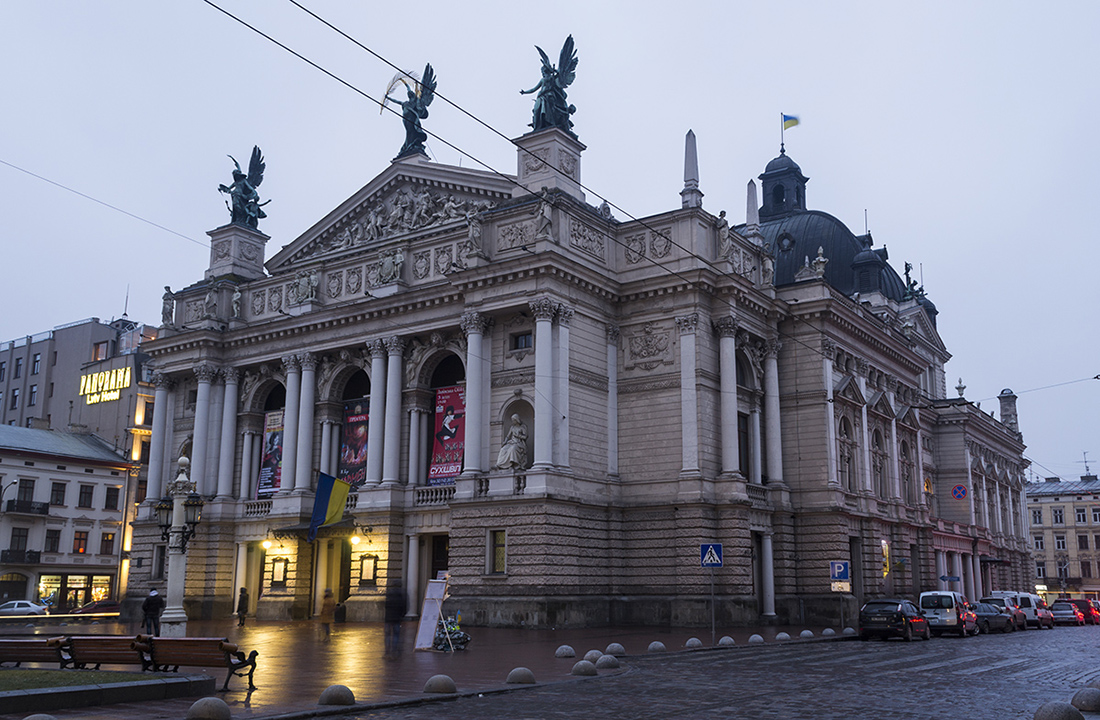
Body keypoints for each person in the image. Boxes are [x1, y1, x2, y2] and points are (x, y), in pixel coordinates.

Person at [384, 582, 407, 657]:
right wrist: (402, 615)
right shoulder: (401, 594)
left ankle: (387, 651)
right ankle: (394, 651)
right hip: (397, 618)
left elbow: (386, 605)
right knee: (396, 635)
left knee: (387, 635)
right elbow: (404, 606)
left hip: (388, 618)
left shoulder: (389, 593)